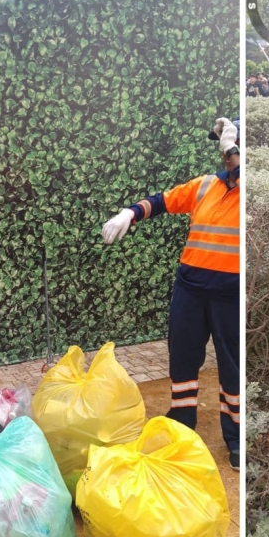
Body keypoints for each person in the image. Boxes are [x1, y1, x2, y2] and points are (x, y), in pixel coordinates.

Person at [101, 118, 241, 468]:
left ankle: (237, 437)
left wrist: (235, 153)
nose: (225, 157)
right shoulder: (206, 186)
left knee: (232, 366)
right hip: (190, 289)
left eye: (230, 150)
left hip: (230, 295)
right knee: (182, 355)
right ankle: (182, 422)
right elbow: (162, 201)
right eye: (224, 149)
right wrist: (129, 214)